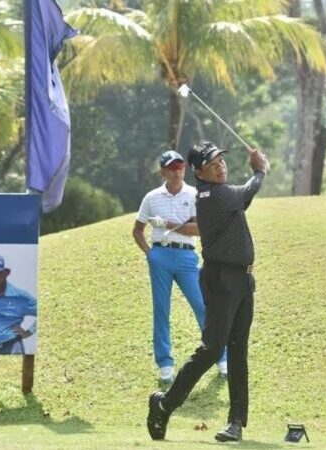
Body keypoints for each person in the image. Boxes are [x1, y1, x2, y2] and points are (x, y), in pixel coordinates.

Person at [146, 141, 269, 443]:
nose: (221, 166)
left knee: (238, 349)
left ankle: (236, 423)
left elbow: (243, 200)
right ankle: (164, 404)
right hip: (221, 280)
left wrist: (256, 174)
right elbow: (248, 192)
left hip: (242, 280)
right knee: (212, 349)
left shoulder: (224, 195)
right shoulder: (211, 195)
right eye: (213, 164)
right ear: (200, 172)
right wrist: (259, 171)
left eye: (222, 161)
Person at [133, 150, 227, 383]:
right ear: (163, 171)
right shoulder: (151, 198)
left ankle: (221, 356)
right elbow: (137, 230)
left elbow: (200, 228)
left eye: (180, 167)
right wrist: (150, 254)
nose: (177, 171)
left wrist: (168, 224)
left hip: (187, 257)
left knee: (202, 306)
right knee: (161, 310)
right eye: (172, 168)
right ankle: (165, 364)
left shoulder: (195, 194)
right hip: (160, 256)